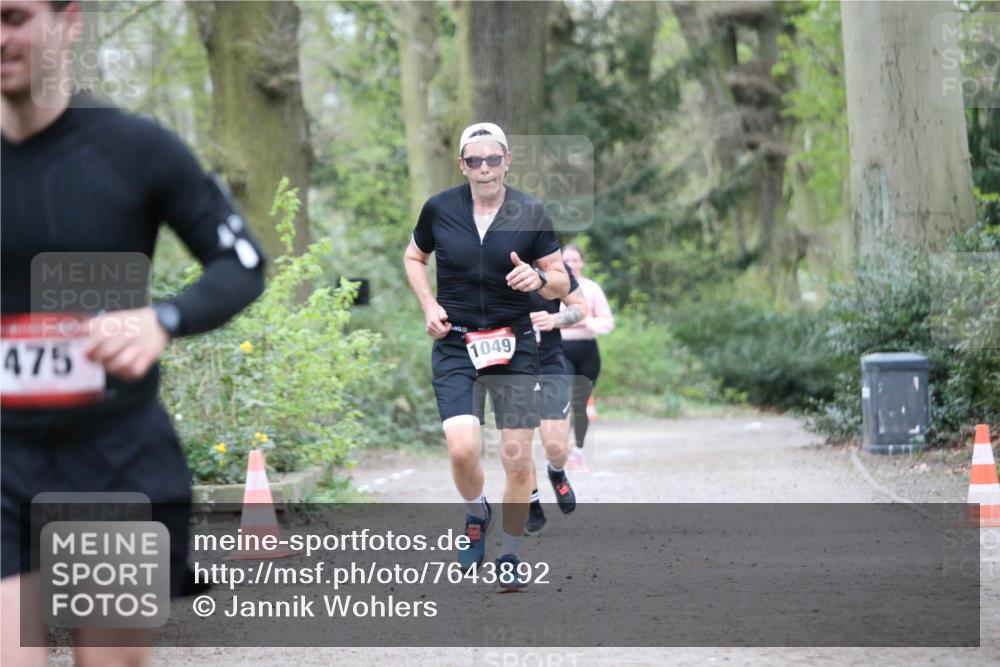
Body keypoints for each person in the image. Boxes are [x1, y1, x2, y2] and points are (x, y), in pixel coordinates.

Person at [1, 2, 266, 664]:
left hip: (113, 460)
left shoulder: (136, 149)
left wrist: (163, 318)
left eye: (13, 17)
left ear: (69, 22)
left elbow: (241, 262)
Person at [403, 122, 569, 591]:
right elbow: (414, 257)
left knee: (517, 457)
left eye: (493, 159)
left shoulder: (530, 212)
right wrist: (429, 306)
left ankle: (510, 554)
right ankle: (477, 513)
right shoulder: (439, 209)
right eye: (474, 160)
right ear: (462, 165)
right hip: (456, 342)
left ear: (507, 161)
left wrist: (539, 279)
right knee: (462, 451)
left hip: (514, 344)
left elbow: (560, 281)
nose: (484, 168)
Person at [523, 264, 588, 535]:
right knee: (518, 443)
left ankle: (556, 471)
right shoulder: (492, 261)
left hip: (549, 363)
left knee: (556, 446)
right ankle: (532, 503)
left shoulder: (552, 265)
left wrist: (554, 320)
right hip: (509, 365)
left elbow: (580, 307)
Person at [560, 244, 614, 467]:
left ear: (581, 263)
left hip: (587, 351)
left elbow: (607, 322)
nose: (571, 264)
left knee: (580, 402)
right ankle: (560, 447)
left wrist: (586, 321)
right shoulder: (555, 289)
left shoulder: (592, 288)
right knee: (565, 397)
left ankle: (578, 449)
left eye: (575, 260)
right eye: (567, 260)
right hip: (562, 348)